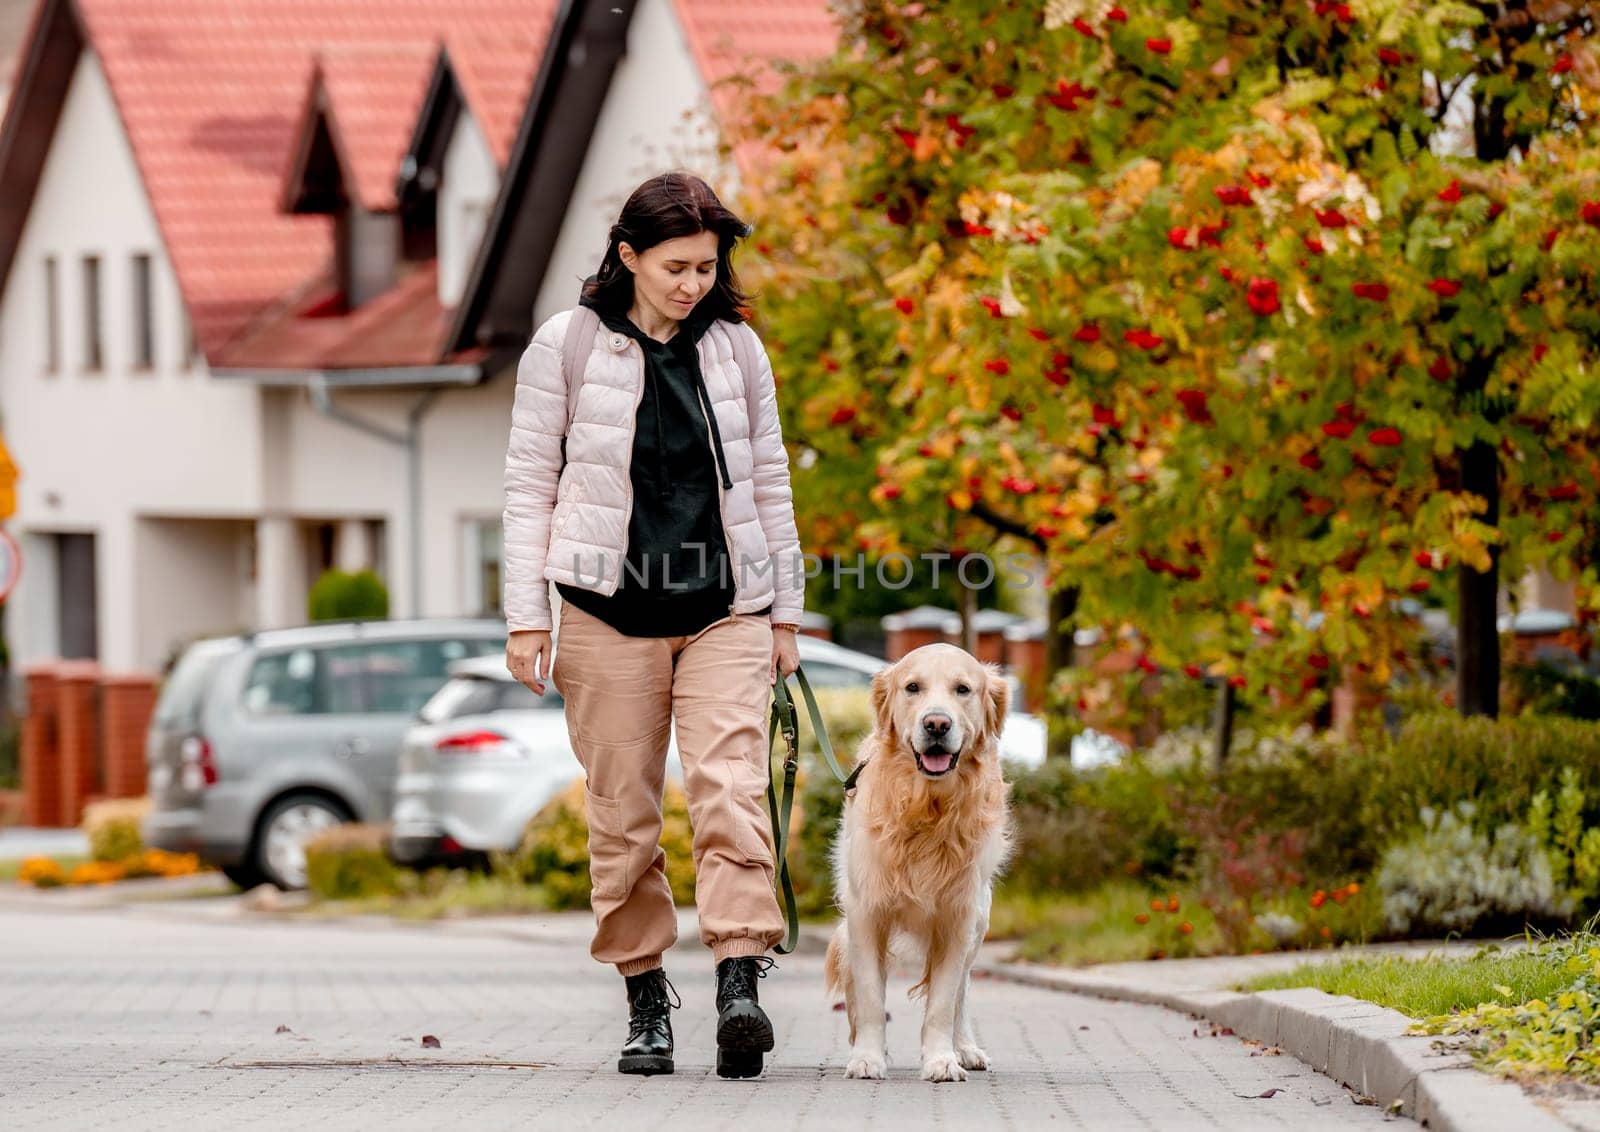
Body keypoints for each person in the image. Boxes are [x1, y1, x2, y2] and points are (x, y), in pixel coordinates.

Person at [501, 171, 804, 1079]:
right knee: (623, 814)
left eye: (708, 268)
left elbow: (772, 481)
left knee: (728, 788)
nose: (692, 285)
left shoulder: (738, 350)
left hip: (725, 610)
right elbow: (528, 487)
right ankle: (644, 1000)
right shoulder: (566, 347)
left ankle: (740, 981)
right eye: (676, 267)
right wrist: (527, 617)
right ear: (627, 255)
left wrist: (785, 610)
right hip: (605, 613)